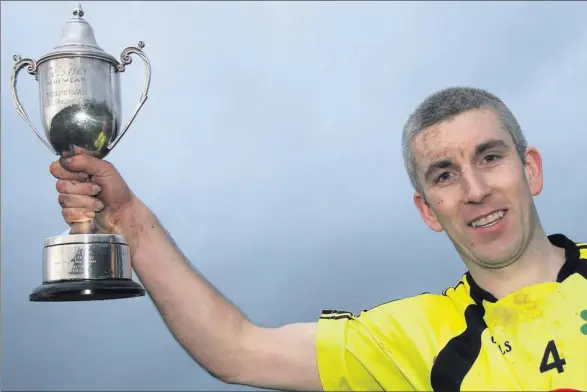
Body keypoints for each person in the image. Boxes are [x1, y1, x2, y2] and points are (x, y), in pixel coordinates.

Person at [50, 87, 587, 391]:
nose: (474, 190)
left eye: (490, 157)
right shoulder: (412, 337)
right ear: (428, 210)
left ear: (530, 168)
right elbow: (237, 350)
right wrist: (127, 219)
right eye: (444, 174)